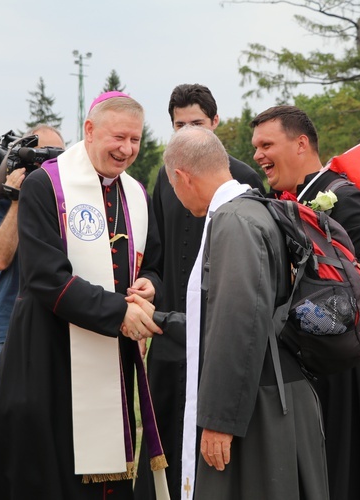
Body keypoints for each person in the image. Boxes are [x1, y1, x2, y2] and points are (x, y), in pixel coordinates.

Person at [0, 92, 165, 498]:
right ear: (89, 130)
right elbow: (45, 277)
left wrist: (151, 284)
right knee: (50, 472)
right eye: (118, 137)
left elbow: (153, 263)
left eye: (135, 140)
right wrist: (119, 310)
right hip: (47, 352)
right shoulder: (45, 184)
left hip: (110, 353)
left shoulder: (136, 195)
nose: (127, 149)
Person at [139, 125, 328, 499]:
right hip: (268, 390)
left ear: (182, 177)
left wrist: (219, 421)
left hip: (257, 404)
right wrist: (159, 320)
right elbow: (223, 314)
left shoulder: (233, 221)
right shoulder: (253, 208)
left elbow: (237, 323)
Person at [250, 105, 360, 500]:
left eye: (267, 144)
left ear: (300, 144)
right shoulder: (285, 199)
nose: (258, 155)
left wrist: (314, 269)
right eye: (255, 147)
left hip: (346, 367)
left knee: (346, 476)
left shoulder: (345, 198)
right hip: (307, 360)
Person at [135, 83, 264, 500]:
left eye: (196, 122)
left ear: (215, 123)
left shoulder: (243, 179)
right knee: (163, 444)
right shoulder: (164, 175)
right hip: (169, 336)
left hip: (216, 339)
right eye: (178, 124)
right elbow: (155, 256)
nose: (187, 130)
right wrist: (148, 286)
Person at [0, 124, 65, 365]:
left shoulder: (71, 201)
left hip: (58, 325)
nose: (48, 165)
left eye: (56, 156)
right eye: (39, 156)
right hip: (11, 324)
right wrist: (19, 201)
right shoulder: (7, 203)